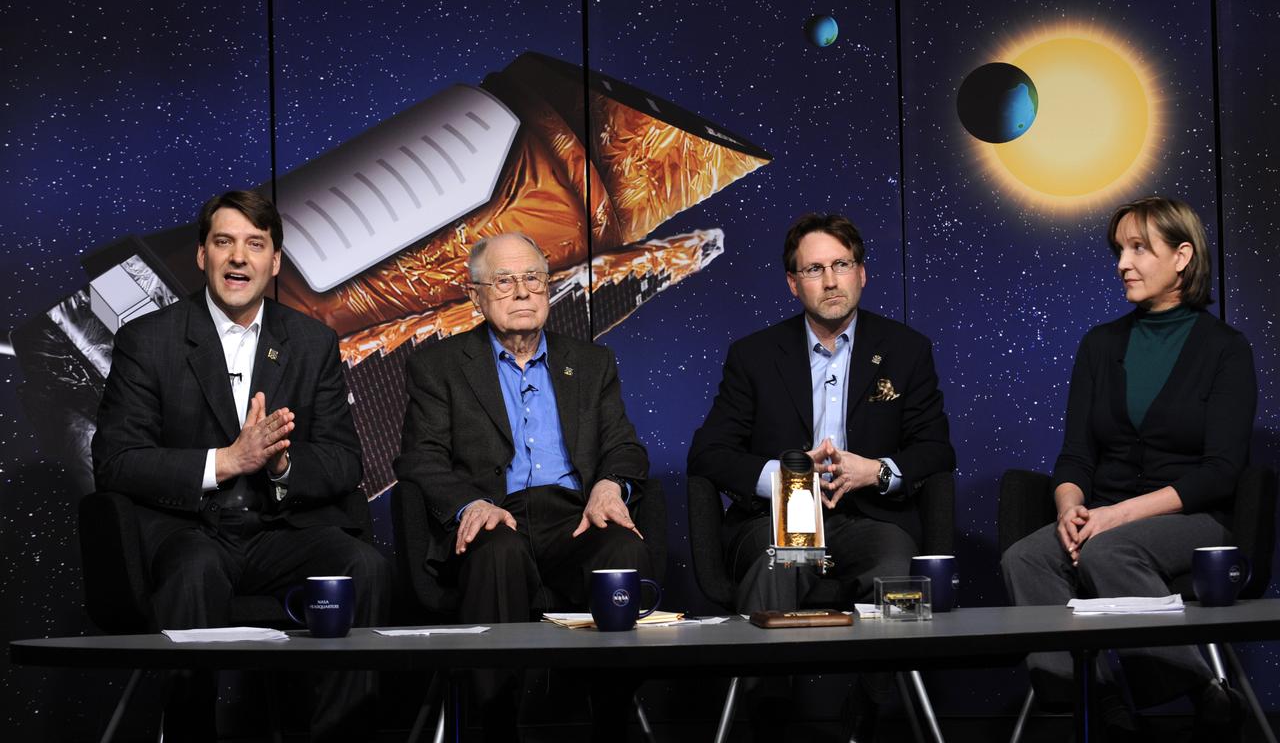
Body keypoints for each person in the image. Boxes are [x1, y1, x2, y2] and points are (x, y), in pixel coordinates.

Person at [91, 189, 391, 742]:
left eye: (256, 245)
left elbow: (345, 461)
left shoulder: (311, 342)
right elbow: (117, 462)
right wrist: (227, 461)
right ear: (201, 255)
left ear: (274, 262)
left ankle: (342, 734)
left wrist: (280, 468)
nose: (239, 258)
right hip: (191, 530)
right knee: (195, 571)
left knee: (362, 565)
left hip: (280, 532)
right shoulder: (147, 341)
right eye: (224, 242)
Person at [688, 212, 955, 735]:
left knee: (895, 558)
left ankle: (872, 706)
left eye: (841, 264)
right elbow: (709, 454)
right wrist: (788, 476)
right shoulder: (754, 356)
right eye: (814, 269)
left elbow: (935, 451)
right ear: (793, 283)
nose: (830, 280)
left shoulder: (906, 350)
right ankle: (768, 716)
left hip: (869, 520)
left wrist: (876, 470)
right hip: (777, 520)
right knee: (783, 556)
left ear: (862, 272)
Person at [1001, 196, 1255, 740]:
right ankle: (1102, 705)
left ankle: (1201, 688)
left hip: (1195, 516)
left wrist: (1116, 517)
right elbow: (1075, 454)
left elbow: (1221, 472)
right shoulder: (1100, 344)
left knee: (1111, 547)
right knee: (1025, 557)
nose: (1123, 263)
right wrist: (1071, 508)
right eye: (1120, 249)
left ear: (1182, 256)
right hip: (1103, 514)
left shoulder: (1225, 350)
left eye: (1139, 248)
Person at [394, 232, 654, 741]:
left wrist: (609, 484)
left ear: (548, 288)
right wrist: (471, 503)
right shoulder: (438, 367)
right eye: (504, 281)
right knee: (499, 554)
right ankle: (494, 726)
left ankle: (612, 720)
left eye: (532, 279)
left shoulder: (593, 362)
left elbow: (625, 446)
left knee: (622, 546)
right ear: (475, 295)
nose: (521, 292)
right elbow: (419, 459)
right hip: (495, 515)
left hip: (570, 516)